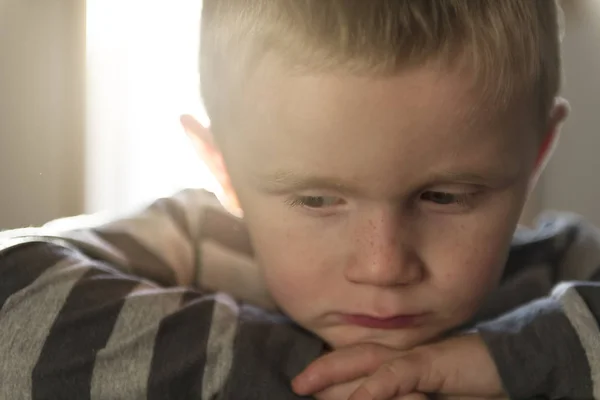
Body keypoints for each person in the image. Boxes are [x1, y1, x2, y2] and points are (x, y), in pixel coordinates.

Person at [1, 1, 599, 399]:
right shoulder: (192, 248)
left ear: (535, 155)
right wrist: (318, 378)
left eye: (445, 196)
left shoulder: (565, 271)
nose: (383, 266)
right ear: (222, 168)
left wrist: (513, 358)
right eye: (316, 200)